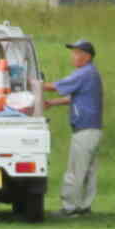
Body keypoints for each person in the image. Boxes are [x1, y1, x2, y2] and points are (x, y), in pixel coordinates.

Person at [42, 38, 104, 217]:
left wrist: (34, 84)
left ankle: (69, 208)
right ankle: (84, 206)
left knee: (75, 170)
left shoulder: (84, 73)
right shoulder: (91, 74)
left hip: (85, 129)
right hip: (93, 129)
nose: (73, 56)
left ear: (86, 56)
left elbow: (55, 86)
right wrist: (52, 103)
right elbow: (74, 98)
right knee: (88, 171)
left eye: (76, 53)